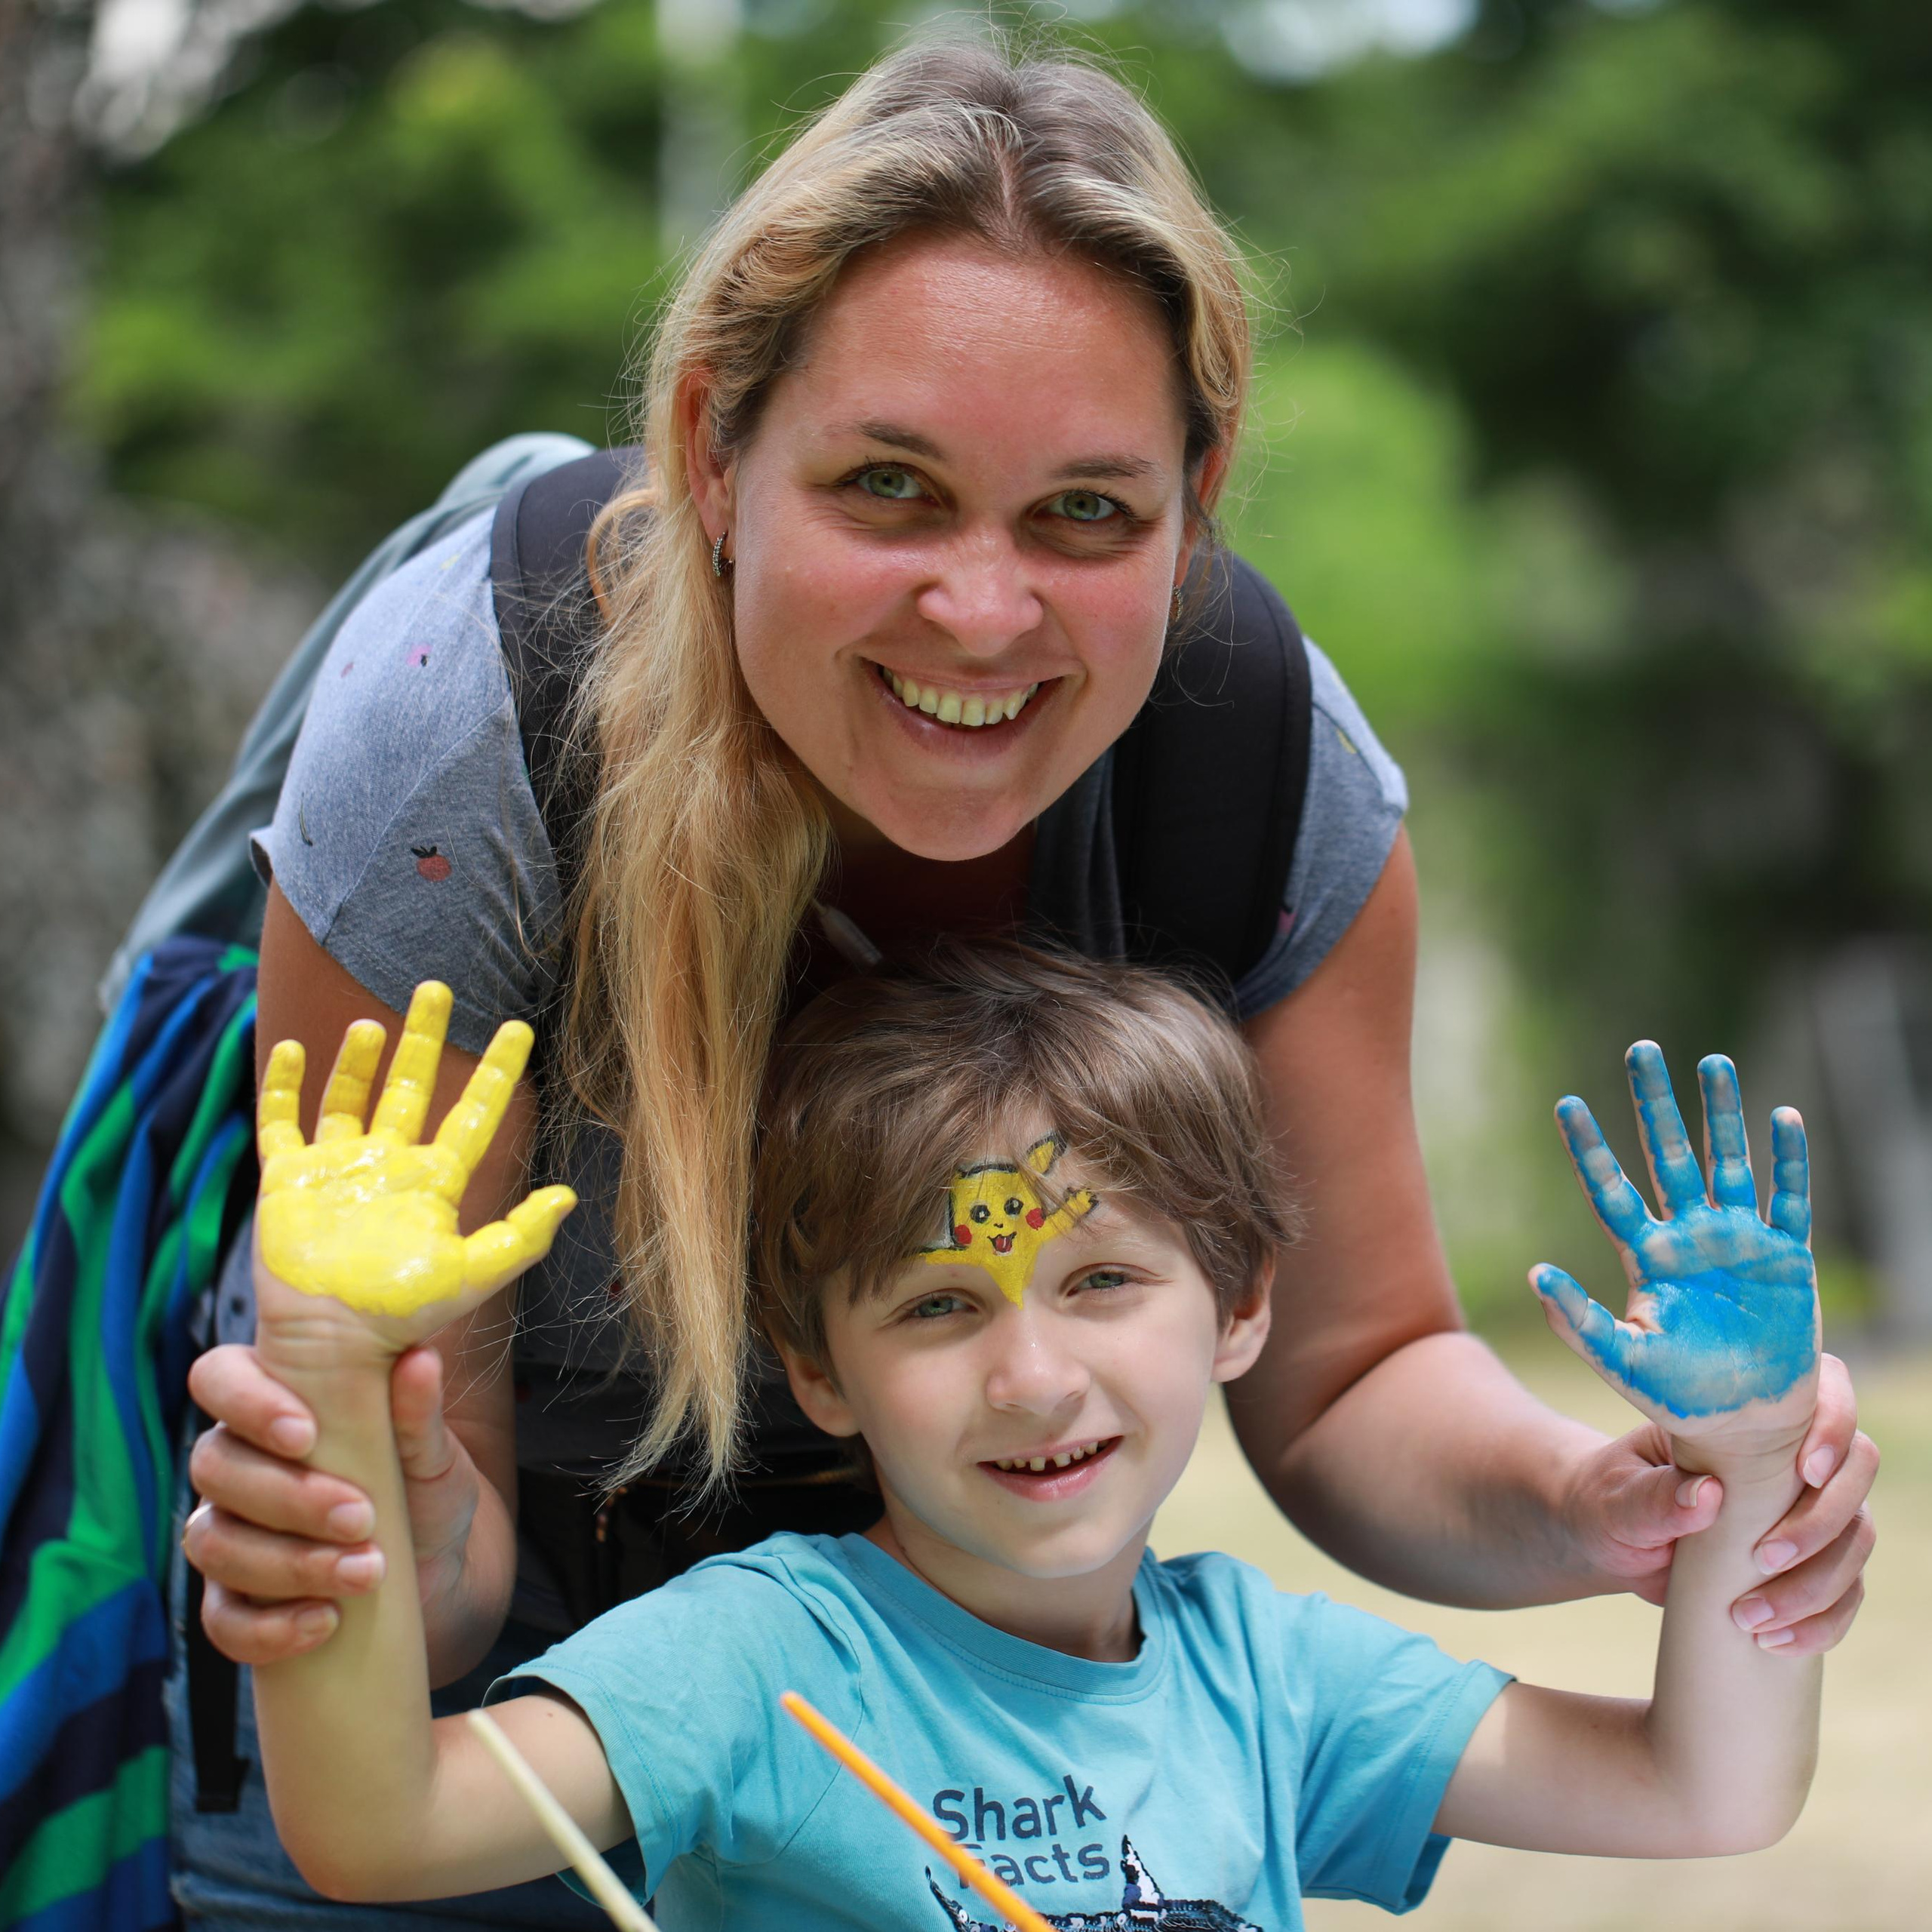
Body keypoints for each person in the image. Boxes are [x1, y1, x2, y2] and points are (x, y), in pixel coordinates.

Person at [173, 29, 1875, 1930]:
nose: (980, 612)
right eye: (888, 486)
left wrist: (1608, 1498)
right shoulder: (460, 736)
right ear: (715, 450)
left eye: (1084, 510)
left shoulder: (1259, 773)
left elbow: (1355, 1373)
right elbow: (403, 1678)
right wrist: (369, 1520)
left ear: (1197, 494)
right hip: (508, 1697)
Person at [245, 946, 1828, 1932]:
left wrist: (1752, 1455)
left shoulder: (1270, 1683)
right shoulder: (761, 1661)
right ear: (819, 1368)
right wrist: (329, 1380)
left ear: (1238, 1306)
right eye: (939, 1306)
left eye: (1101, 1282)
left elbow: (1705, 1791)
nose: (1030, 1375)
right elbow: (376, 1829)